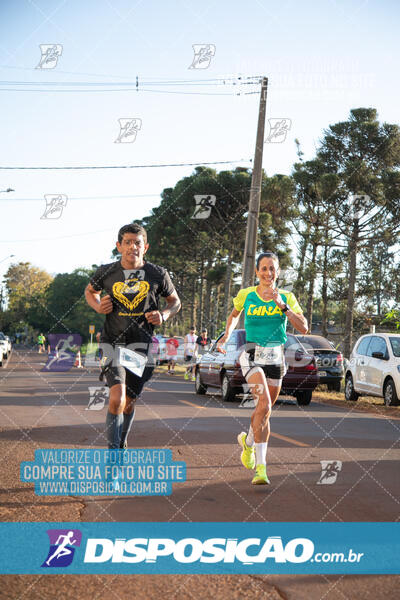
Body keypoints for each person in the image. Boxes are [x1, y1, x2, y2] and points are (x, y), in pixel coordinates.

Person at [85, 223, 181, 453]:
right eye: (127, 242)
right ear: (119, 246)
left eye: (137, 243)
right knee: (116, 398)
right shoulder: (107, 272)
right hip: (112, 343)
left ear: (145, 247)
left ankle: (122, 439)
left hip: (141, 346)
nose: (132, 247)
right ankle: (113, 454)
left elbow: (175, 302)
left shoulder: (158, 274)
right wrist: (99, 307)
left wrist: (164, 314)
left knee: (129, 403)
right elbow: (90, 291)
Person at [217, 251, 307, 486]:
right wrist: (226, 336)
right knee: (264, 404)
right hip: (251, 355)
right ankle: (261, 469)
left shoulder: (287, 296)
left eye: (272, 269)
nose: (268, 273)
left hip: (276, 358)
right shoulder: (246, 294)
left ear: (278, 272)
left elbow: (304, 327)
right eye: (264, 268)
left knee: (263, 412)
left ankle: (247, 443)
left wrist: (283, 307)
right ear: (257, 272)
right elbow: (234, 314)